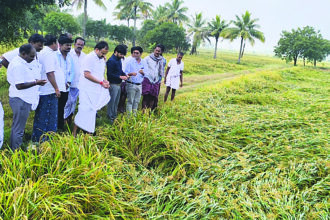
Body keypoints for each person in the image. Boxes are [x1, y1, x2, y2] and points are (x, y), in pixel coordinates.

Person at [7, 44, 47, 150]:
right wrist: (36, 82)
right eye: (31, 56)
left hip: (24, 98)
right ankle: (15, 152)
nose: (33, 58)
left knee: (19, 126)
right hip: (20, 99)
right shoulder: (18, 65)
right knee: (18, 128)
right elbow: (19, 85)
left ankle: (16, 148)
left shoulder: (22, 62)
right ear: (23, 54)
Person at [32, 35, 65, 142]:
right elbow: (50, 73)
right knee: (48, 116)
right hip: (48, 90)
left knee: (41, 115)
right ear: (54, 43)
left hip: (44, 90)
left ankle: (38, 138)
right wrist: (56, 88)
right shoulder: (49, 54)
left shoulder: (43, 52)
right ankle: (45, 140)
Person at [73, 41, 110, 136]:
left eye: (105, 54)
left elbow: (99, 74)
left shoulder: (101, 59)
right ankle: (74, 134)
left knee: (92, 112)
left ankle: (88, 132)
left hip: (95, 90)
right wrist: (101, 82)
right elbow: (87, 74)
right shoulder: (89, 58)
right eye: (102, 53)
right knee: (83, 110)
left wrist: (104, 81)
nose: (103, 55)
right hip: (86, 89)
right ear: (97, 49)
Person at [64, 37, 86, 125]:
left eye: (81, 45)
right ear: (74, 44)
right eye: (78, 44)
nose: (79, 46)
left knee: (74, 103)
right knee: (67, 103)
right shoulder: (69, 54)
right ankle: (64, 120)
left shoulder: (84, 56)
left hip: (79, 84)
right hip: (69, 84)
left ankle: (69, 119)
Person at [106, 45, 128, 124]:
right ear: (116, 52)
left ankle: (114, 116)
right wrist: (120, 76)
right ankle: (110, 117)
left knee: (116, 102)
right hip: (113, 84)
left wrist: (124, 75)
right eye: (121, 54)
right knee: (112, 102)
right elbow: (110, 74)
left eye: (123, 55)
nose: (122, 56)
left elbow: (120, 71)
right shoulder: (111, 61)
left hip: (118, 84)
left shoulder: (118, 60)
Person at [57, 34, 74, 130]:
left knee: (62, 108)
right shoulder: (55, 56)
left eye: (70, 45)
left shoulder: (69, 57)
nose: (68, 47)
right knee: (56, 108)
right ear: (60, 45)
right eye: (66, 45)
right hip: (56, 88)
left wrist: (69, 82)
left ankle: (60, 128)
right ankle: (54, 128)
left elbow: (71, 72)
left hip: (66, 88)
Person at [142, 45, 165, 110]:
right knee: (146, 97)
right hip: (147, 79)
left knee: (152, 97)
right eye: (156, 50)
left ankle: (149, 112)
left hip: (156, 80)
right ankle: (144, 111)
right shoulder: (147, 58)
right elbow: (142, 68)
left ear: (161, 52)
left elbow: (160, 70)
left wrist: (159, 79)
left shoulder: (161, 60)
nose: (157, 52)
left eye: (159, 51)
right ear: (154, 50)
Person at [125, 46, 146, 114]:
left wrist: (143, 73)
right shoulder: (129, 61)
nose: (135, 54)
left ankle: (134, 116)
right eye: (134, 53)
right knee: (130, 101)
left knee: (136, 101)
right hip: (131, 83)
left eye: (137, 53)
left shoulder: (143, 62)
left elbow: (147, 73)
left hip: (139, 84)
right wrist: (130, 74)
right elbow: (125, 73)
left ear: (141, 54)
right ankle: (128, 117)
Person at [118, 46, 135, 114]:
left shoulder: (126, 59)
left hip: (125, 78)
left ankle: (121, 106)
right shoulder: (117, 59)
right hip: (119, 78)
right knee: (119, 94)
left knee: (124, 94)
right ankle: (118, 106)